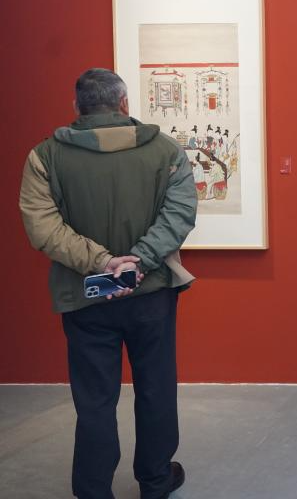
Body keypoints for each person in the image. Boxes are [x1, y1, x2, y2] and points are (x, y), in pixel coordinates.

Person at [19, 68, 198, 499]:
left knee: (95, 399)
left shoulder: (44, 157)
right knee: (156, 389)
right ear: (123, 104)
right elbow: (179, 214)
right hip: (151, 291)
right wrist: (138, 261)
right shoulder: (166, 150)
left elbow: (43, 228)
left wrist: (101, 262)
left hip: (86, 295)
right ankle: (155, 480)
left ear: (77, 107)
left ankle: (93, 489)